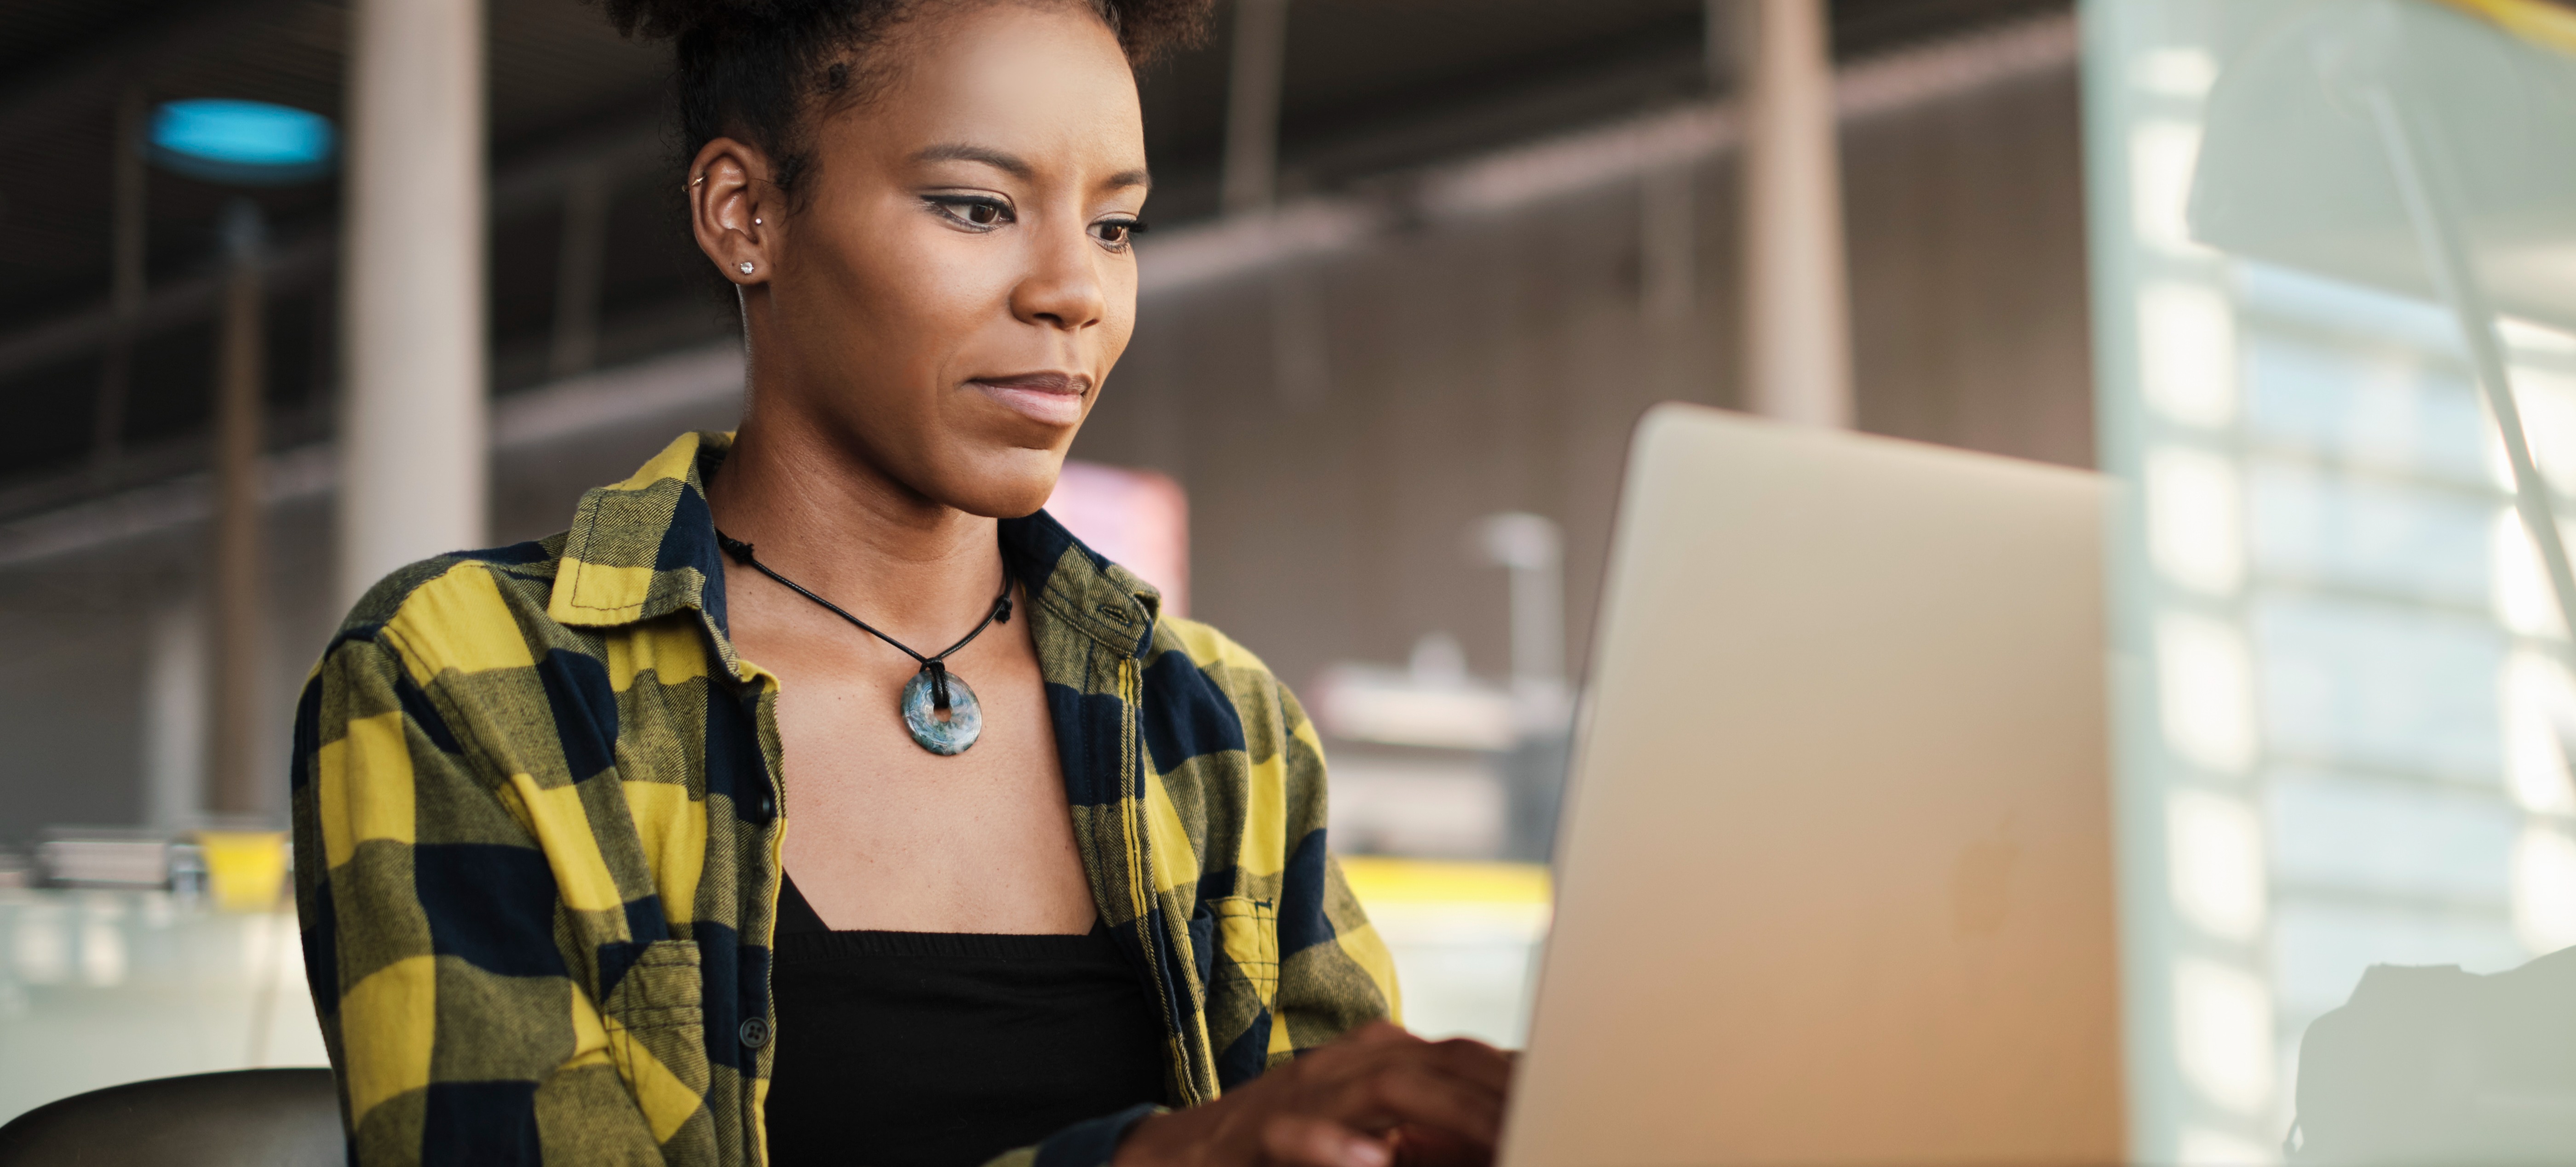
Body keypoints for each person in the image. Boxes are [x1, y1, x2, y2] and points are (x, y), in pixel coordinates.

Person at [288, 0, 1515, 1164]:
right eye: (979, 208)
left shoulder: (1218, 728)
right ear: (746, 213)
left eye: (1115, 225)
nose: (1075, 292)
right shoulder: (469, 682)